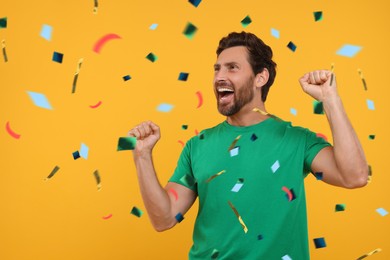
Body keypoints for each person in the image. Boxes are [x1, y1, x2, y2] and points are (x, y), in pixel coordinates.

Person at [128, 31, 368, 259]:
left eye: (232, 68)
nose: (220, 76)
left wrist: (330, 100)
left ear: (260, 78)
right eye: (217, 69)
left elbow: (355, 176)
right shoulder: (197, 146)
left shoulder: (296, 140)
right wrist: (142, 156)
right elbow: (164, 218)